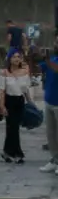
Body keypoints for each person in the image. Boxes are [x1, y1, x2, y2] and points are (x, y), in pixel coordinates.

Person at [0, 49, 32, 163]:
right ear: (9, 59)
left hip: (20, 101)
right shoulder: (4, 73)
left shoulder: (24, 72)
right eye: (14, 57)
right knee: (11, 127)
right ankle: (17, 153)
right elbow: (2, 91)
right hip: (9, 100)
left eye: (18, 57)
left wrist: (30, 102)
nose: (17, 59)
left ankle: (7, 151)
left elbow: (26, 90)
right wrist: (1, 106)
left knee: (15, 127)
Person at [43, 45, 58, 173]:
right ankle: (55, 160)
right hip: (49, 101)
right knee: (51, 134)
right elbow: (37, 69)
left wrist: (47, 60)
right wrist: (32, 57)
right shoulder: (53, 58)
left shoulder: (51, 61)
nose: (55, 44)